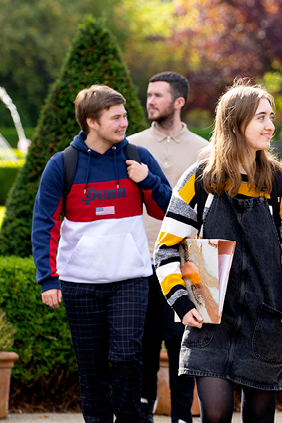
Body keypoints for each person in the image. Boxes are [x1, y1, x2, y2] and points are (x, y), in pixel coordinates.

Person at [154, 82, 282, 423]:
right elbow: (166, 248)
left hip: (265, 322)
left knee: (259, 419)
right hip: (209, 321)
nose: (271, 125)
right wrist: (181, 300)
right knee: (216, 416)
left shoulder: (279, 182)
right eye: (261, 118)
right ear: (235, 123)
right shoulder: (199, 180)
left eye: (271, 117)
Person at [32, 84, 173, 423]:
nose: (124, 123)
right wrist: (48, 278)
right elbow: (44, 224)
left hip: (131, 278)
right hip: (80, 282)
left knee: (127, 356)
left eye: (124, 115)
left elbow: (168, 209)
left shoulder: (137, 158)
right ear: (91, 122)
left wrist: (147, 180)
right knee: (91, 366)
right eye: (116, 117)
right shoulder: (62, 165)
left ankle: (130, 416)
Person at [128, 71, 208, 423]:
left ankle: (181, 415)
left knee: (181, 340)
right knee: (143, 342)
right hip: (139, 258)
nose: (150, 101)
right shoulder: (131, 145)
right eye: (148, 95)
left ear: (179, 102)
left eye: (158, 95)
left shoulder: (203, 149)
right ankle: (142, 410)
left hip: (187, 261)